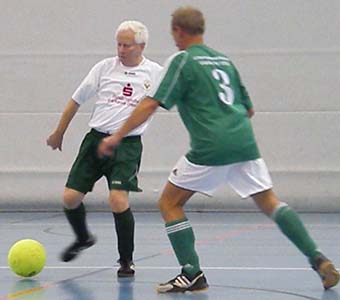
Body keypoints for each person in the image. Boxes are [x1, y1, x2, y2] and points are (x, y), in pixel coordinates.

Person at [97, 6, 339, 292]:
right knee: (271, 203)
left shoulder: (182, 61)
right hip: (244, 142)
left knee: (169, 203)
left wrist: (116, 137)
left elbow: (151, 103)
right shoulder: (224, 61)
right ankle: (318, 259)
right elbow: (248, 109)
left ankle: (192, 273)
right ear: (202, 29)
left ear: (177, 31)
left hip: (210, 146)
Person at [47, 20, 162, 278]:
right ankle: (83, 237)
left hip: (127, 145)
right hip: (96, 140)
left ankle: (126, 260)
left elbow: (172, 98)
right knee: (70, 198)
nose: (121, 49)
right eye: (118, 44)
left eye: (127, 45)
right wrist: (59, 132)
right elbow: (75, 100)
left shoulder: (155, 72)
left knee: (118, 199)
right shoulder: (104, 68)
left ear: (141, 46)